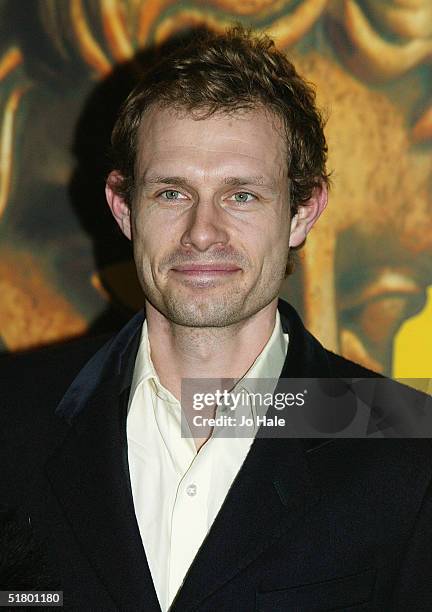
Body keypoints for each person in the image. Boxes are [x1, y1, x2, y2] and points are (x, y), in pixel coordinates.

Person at [1, 26, 431, 611]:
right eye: (172, 194)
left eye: (242, 195)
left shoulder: (406, 441)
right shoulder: (13, 414)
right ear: (124, 208)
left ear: (303, 212)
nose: (203, 233)